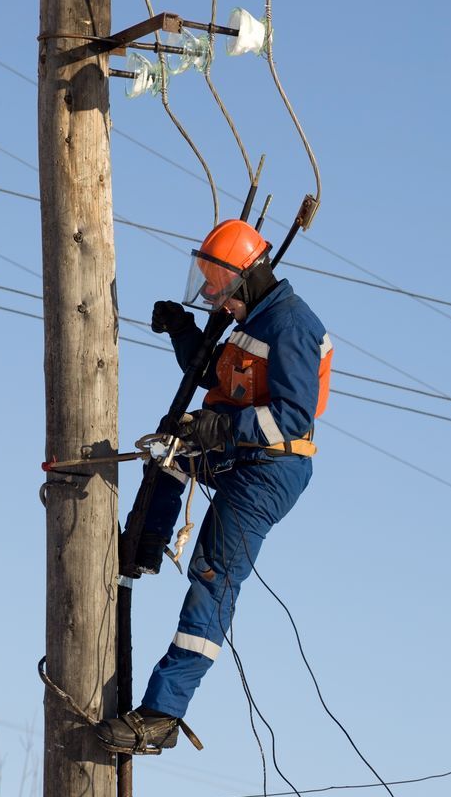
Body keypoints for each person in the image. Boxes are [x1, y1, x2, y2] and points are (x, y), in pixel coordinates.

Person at [96, 219, 333, 752]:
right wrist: (183, 330)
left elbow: (293, 417)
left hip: (270, 469)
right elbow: (217, 378)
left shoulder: (291, 325)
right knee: (169, 457)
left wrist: (225, 427)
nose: (211, 295)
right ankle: (138, 551)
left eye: (217, 286)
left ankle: (161, 715)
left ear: (246, 278)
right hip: (238, 451)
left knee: (213, 574)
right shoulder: (253, 318)